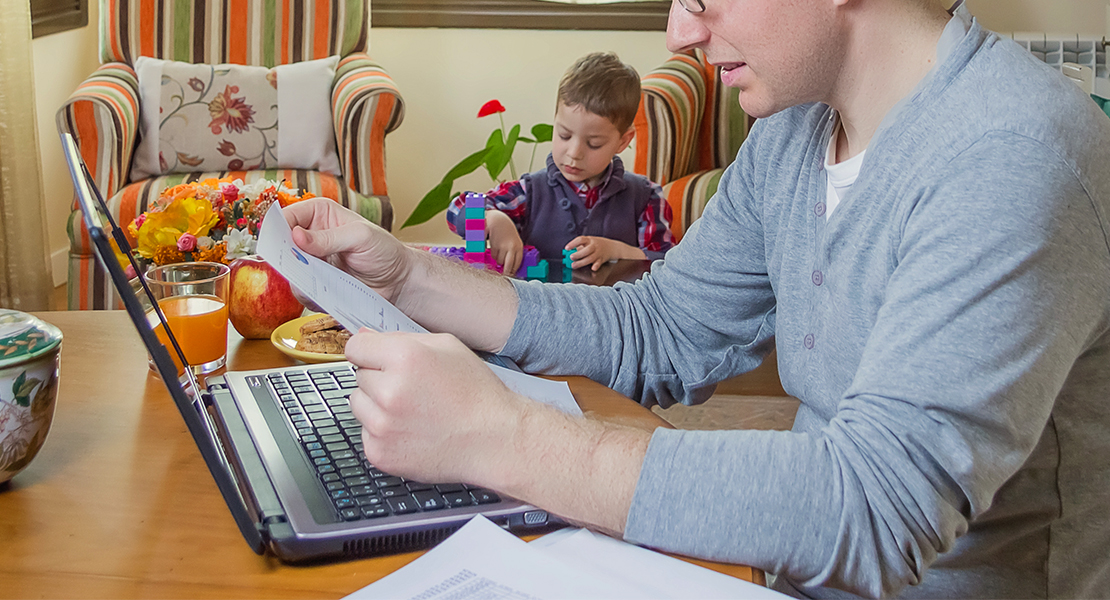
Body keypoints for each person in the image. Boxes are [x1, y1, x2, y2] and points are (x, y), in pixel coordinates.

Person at [283, 0, 1110, 597]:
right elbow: (663, 326)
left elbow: (874, 510)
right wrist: (411, 277)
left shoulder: (1010, 158)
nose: (679, 30)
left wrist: (501, 439)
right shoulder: (795, 129)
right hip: (775, 567)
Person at [445, 52, 674, 274]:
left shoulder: (645, 197)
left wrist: (618, 251)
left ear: (623, 141)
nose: (574, 153)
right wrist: (493, 219)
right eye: (564, 135)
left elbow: (668, 263)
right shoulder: (530, 192)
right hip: (539, 309)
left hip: (614, 310)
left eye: (594, 143)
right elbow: (458, 210)